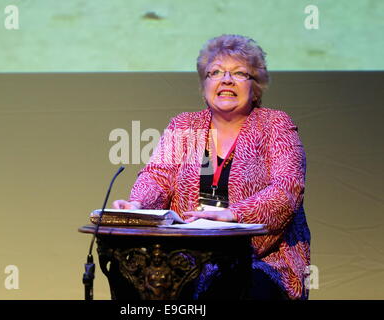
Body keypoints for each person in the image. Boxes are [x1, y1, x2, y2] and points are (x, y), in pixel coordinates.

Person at [112, 34, 311, 300]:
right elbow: (158, 177)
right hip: (187, 257)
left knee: (235, 287)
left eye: (239, 73)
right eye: (215, 72)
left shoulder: (275, 125)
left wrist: (234, 215)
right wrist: (138, 205)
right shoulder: (184, 125)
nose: (226, 80)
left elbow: (287, 190)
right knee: (128, 273)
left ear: (257, 87)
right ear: (204, 85)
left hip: (260, 259)